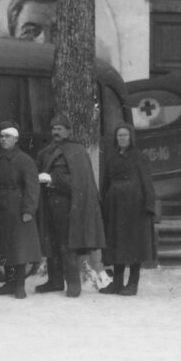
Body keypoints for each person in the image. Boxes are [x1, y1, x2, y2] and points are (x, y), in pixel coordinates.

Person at [35, 113, 105, 298]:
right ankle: (55, 280)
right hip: (49, 203)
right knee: (51, 242)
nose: (56, 132)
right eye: (53, 129)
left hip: (68, 205)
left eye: (59, 128)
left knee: (67, 244)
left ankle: (73, 283)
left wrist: (53, 179)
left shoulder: (77, 151)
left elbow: (78, 182)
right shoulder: (48, 151)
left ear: (68, 131)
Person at [99, 122, 157, 296]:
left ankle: (132, 283)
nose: (122, 138)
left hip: (135, 207)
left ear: (131, 137)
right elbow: (105, 183)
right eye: (119, 135)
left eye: (125, 135)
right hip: (115, 206)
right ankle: (117, 283)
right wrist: (104, 202)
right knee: (116, 243)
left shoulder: (140, 157)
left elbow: (147, 183)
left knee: (134, 245)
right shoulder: (111, 157)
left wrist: (149, 205)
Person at [0, 122, 42, 299]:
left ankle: (19, 284)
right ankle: (9, 282)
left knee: (19, 248)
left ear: (15, 139)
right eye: (1, 136)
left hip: (19, 207)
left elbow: (32, 186)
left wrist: (29, 209)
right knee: (6, 247)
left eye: (7, 137)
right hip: (1, 207)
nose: (3, 140)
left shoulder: (24, 160)